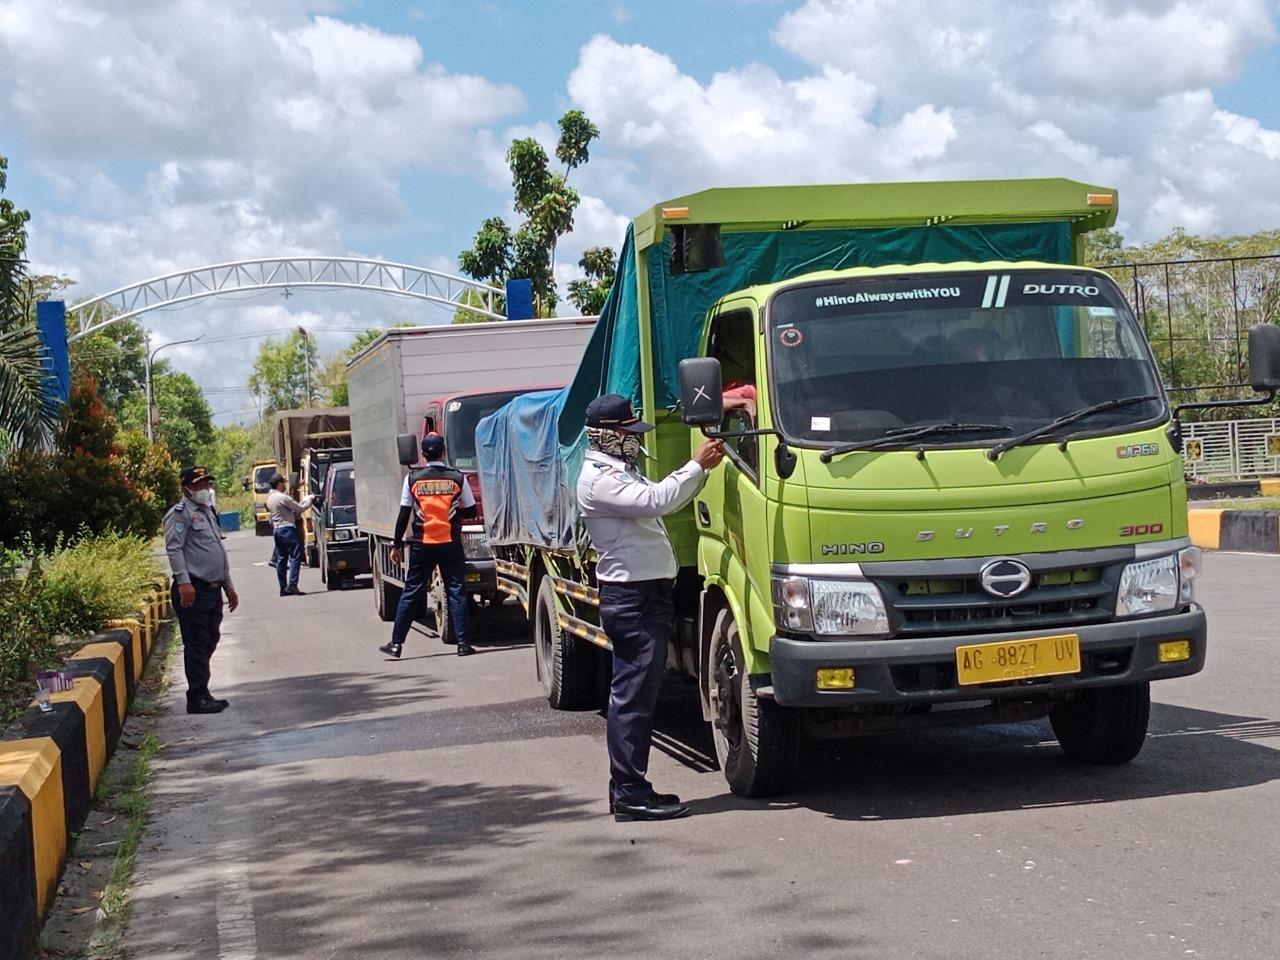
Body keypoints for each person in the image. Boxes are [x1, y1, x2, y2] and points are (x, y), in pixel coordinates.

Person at [577, 394, 725, 822]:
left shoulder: (618, 472)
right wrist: (697, 465)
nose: (633, 442)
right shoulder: (599, 479)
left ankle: (626, 787)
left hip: (643, 596)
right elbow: (656, 501)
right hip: (634, 598)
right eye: (627, 434)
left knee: (636, 695)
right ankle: (629, 790)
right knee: (632, 699)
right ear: (606, 436)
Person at [379, 433, 477, 659]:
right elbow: (471, 510)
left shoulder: (413, 479)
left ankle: (396, 644)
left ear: (423, 454)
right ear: (444, 451)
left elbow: (404, 514)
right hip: (450, 543)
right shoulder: (457, 478)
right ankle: (463, 644)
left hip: (422, 544)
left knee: (411, 591)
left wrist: (396, 544)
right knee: (456, 592)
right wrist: (453, 514)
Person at [164, 466, 239, 715]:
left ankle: (202, 691)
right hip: (193, 588)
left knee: (210, 638)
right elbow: (175, 549)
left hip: (212, 588)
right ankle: (196, 697)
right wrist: (184, 582)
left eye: (207, 483)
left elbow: (217, 549)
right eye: (199, 485)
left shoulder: (207, 512)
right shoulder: (180, 514)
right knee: (196, 643)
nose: (205, 489)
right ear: (186, 488)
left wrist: (228, 585)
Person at [266, 473, 313, 596]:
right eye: (284, 483)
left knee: (282, 558)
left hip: (277, 530)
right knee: (295, 556)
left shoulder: (270, 498)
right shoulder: (282, 498)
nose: (285, 486)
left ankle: (283, 587)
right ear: (279, 484)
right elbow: (299, 508)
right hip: (287, 529)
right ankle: (292, 585)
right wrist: (310, 500)